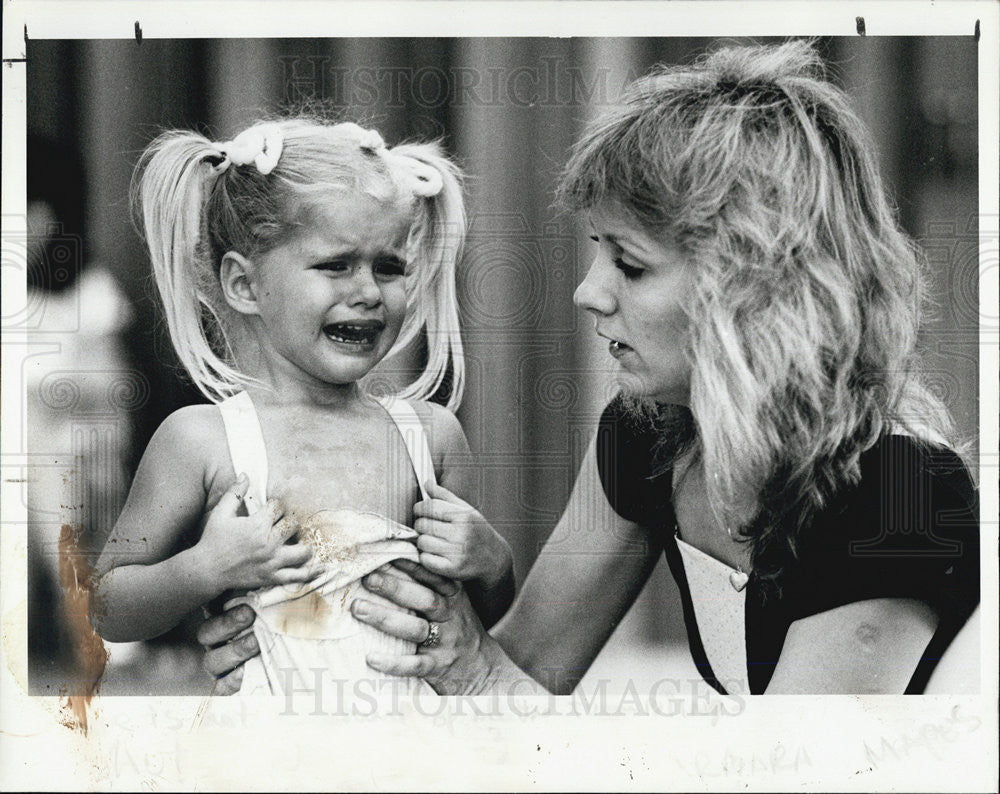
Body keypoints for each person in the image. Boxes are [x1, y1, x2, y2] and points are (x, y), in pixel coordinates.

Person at [200, 41, 980, 696]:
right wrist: (306, 645)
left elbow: (797, 772)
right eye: (594, 252)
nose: (587, 292)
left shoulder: (896, 493)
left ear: (752, 284)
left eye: (630, 265)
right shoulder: (650, 434)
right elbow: (519, 675)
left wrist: (476, 672)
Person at [90, 118, 514, 697]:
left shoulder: (431, 436)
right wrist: (202, 569)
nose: (368, 291)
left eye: (389, 266)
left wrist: (492, 564)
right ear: (244, 284)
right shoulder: (202, 440)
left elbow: (479, 624)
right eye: (336, 264)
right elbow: (108, 606)